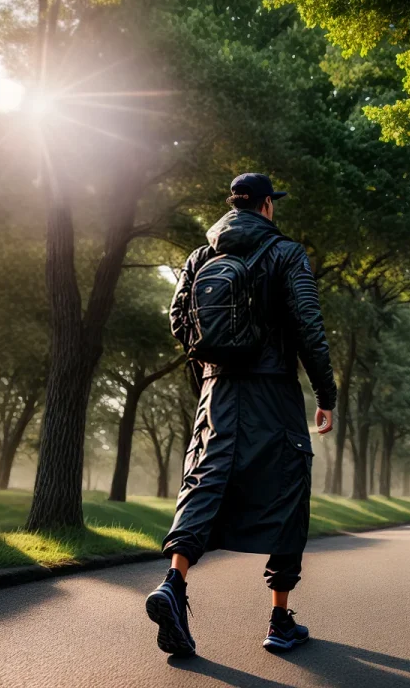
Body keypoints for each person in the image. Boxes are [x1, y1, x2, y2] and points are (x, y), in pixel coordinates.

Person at [145, 173, 337, 656]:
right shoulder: (287, 253)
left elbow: (177, 320)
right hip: (273, 394)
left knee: (204, 482)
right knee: (288, 492)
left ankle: (174, 584)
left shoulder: (199, 256)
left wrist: (212, 366)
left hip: (217, 392)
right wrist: (326, 394)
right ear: (268, 205)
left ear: (234, 205)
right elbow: (309, 327)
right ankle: (279, 619)